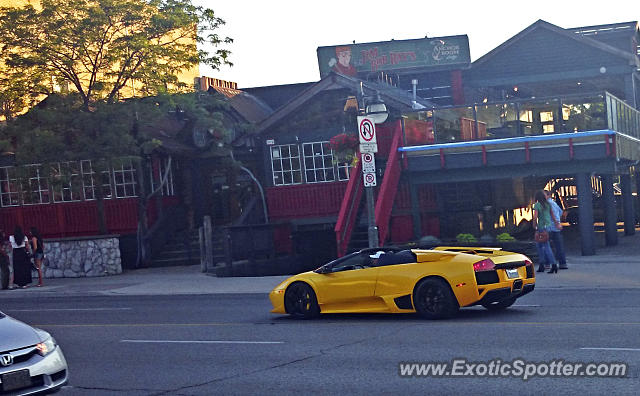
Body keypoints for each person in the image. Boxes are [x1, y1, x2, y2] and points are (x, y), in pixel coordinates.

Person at [532, 190, 560, 274]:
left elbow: (535, 217)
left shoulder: (537, 205)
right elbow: (552, 215)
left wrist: (534, 225)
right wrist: (557, 224)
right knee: (543, 246)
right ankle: (544, 265)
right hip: (548, 227)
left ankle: (551, 264)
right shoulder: (548, 204)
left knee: (542, 246)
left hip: (541, 227)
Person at [544, 190, 568, 270]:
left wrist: (556, 223)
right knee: (559, 246)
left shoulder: (548, 204)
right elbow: (561, 213)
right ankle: (562, 263)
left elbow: (554, 215)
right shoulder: (554, 203)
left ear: (548, 195)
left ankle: (547, 263)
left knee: (546, 246)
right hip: (555, 228)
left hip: (550, 228)